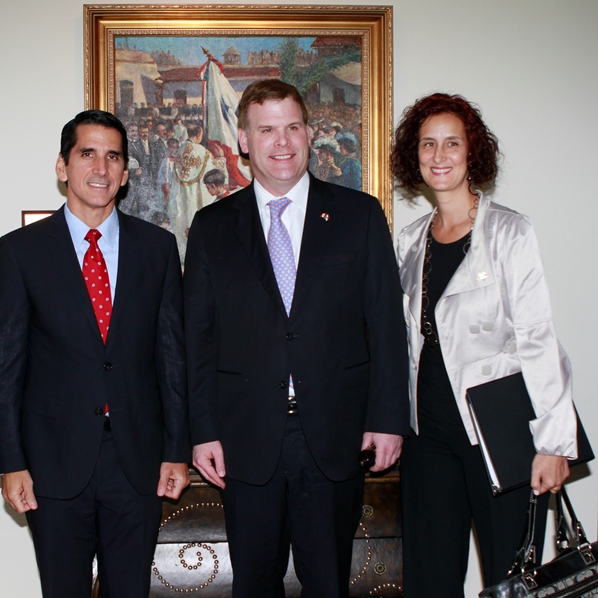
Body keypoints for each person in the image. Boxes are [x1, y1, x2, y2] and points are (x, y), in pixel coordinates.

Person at [184, 79, 409, 597]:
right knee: (254, 583)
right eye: (267, 130)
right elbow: (198, 339)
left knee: (328, 583)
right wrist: (202, 431)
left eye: (292, 127)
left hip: (336, 434)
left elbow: (385, 325)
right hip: (245, 439)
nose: (281, 142)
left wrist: (387, 419)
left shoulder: (359, 215)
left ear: (308, 132)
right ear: (244, 140)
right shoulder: (211, 227)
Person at [0, 109, 190, 598]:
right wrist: (10, 462)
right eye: (87, 154)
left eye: (113, 157)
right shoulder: (21, 251)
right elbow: (4, 368)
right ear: (63, 166)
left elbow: (172, 358)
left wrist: (177, 451)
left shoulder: (157, 248)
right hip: (52, 462)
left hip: (138, 461)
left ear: (125, 172)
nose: (101, 168)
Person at [392, 92, 577, 597]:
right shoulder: (409, 240)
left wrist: (554, 444)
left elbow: (537, 337)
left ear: (472, 152)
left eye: (452, 143)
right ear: (415, 155)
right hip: (427, 436)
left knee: (509, 579)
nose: (439, 155)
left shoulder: (510, 232)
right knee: (429, 581)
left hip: (499, 432)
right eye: (428, 144)